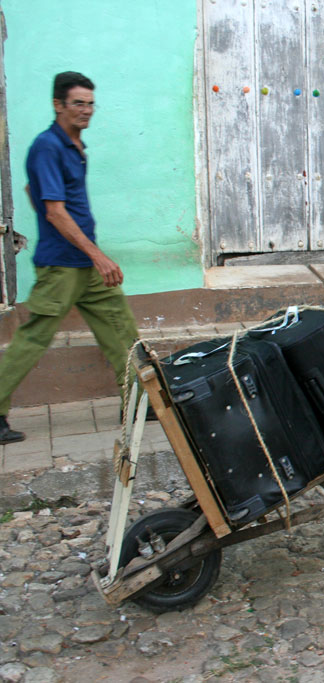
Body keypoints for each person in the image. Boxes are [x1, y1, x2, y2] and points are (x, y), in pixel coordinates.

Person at [0, 72, 140, 444]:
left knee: (122, 331)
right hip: (62, 266)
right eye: (78, 103)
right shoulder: (48, 146)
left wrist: (88, 254)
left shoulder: (73, 146)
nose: (86, 110)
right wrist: (99, 256)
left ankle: (139, 404)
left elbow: (34, 188)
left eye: (90, 103)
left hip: (85, 265)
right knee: (33, 339)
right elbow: (56, 210)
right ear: (58, 104)